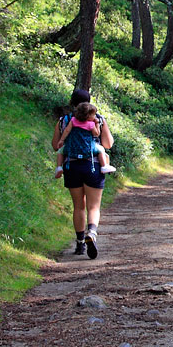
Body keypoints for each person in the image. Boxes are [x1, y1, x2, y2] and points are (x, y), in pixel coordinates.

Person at [53, 88, 113, 259]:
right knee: (93, 206)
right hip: (93, 166)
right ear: (89, 102)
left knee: (78, 206)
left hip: (71, 167)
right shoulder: (97, 119)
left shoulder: (64, 120)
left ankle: (80, 243)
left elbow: (56, 145)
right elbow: (108, 144)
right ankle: (91, 233)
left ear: (72, 102)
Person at [55, 101, 116, 177]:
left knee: (60, 151)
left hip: (71, 148)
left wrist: (61, 140)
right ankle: (104, 166)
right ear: (88, 116)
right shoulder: (91, 124)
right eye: (94, 115)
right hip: (88, 149)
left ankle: (59, 167)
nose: (95, 116)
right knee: (101, 150)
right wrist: (97, 123)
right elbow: (96, 134)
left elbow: (67, 130)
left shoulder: (73, 120)